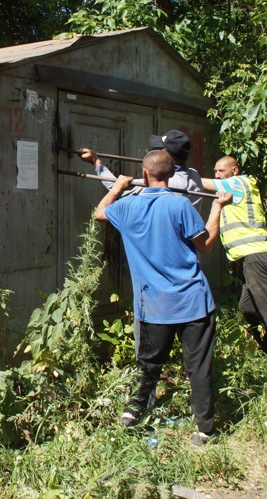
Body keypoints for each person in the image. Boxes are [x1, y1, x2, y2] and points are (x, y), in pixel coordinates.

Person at [94, 150, 232, 445]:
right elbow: (205, 245)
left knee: (148, 364)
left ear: (144, 174)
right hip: (194, 301)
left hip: (154, 306)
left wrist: (118, 187)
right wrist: (218, 207)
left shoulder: (128, 207)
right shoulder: (180, 204)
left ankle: (133, 412)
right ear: (171, 175)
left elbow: (99, 212)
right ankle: (205, 430)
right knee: (198, 366)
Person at [200, 156, 267, 355]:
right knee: (247, 308)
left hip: (256, 255)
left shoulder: (238, 183)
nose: (217, 175)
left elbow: (203, 183)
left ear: (235, 170)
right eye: (215, 171)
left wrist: (178, 173)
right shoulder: (234, 186)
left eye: (221, 171)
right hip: (251, 257)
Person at [80, 129, 204, 207]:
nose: (154, 151)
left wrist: (95, 161)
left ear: (169, 158)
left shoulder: (164, 183)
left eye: (158, 150)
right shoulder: (194, 175)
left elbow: (116, 188)